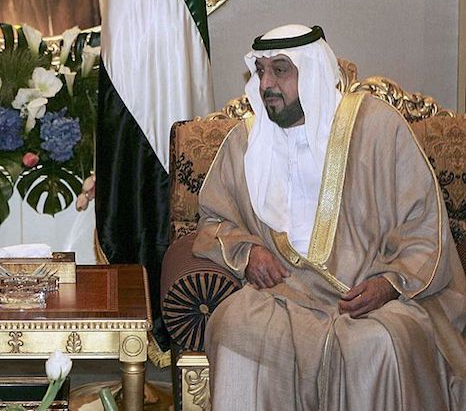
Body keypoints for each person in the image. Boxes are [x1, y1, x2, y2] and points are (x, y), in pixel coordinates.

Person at [193, 24, 466, 410]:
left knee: (378, 344)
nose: (267, 83)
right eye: (261, 71)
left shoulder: (378, 128)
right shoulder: (246, 141)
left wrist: (389, 284)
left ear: (314, 71)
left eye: (281, 70)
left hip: (370, 298)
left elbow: (424, 226)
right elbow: (214, 220)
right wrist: (250, 253)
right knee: (233, 326)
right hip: (283, 296)